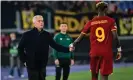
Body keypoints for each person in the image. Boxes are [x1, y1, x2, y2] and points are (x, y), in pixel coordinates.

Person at [70, 2, 122, 80]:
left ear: (97, 10)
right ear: (105, 9)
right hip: (106, 52)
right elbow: (115, 37)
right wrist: (119, 50)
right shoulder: (111, 21)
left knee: (94, 76)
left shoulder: (90, 22)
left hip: (94, 52)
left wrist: (72, 44)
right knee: (104, 76)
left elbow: (80, 38)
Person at [18, 15, 74, 80]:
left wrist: (68, 49)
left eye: (42, 21)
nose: (41, 22)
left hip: (42, 65)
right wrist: (24, 60)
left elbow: (56, 46)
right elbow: (20, 48)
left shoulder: (47, 35)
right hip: (31, 65)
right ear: (34, 23)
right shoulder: (27, 34)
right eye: (39, 21)